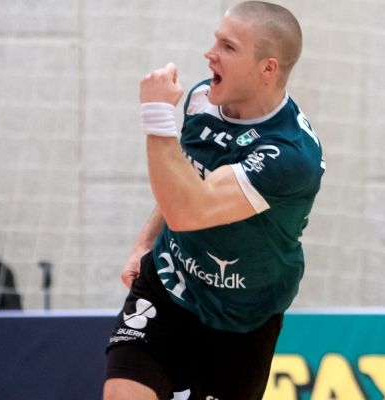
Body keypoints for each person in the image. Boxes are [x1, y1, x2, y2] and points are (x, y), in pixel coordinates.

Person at [104, 1, 325, 399]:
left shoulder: (290, 155)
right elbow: (183, 181)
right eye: (215, 41)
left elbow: (190, 209)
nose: (210, 54)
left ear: (268, 68)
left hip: (242, 318)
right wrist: (144, 244)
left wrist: (156, 115)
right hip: (169, 285)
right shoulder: (202, 99)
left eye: (228, 46)